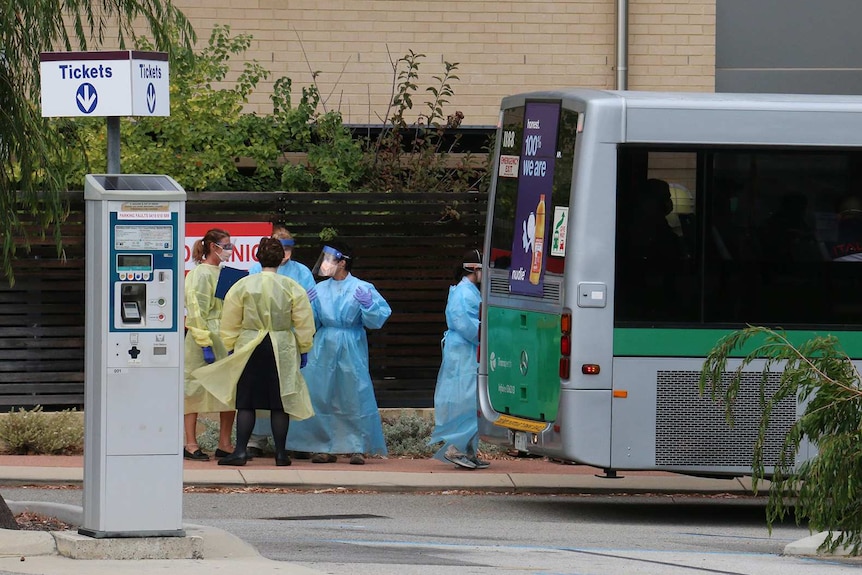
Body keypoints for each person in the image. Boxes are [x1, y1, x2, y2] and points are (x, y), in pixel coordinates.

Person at [189, 237, 316, 466]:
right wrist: (304, 347)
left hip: (249, 345)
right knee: (280, 401)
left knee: (246, 401)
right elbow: (304, 320)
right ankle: (280, 454)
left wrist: (229, 346)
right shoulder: (292, 287)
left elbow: (230, 319)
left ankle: (239, 451)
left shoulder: (243, 285)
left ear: (257, 257)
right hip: (282, 345)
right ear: (280, 259)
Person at [286, 239, 392, 465]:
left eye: (328, 259)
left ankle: (357, 446)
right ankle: (324, 445)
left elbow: (377, 320)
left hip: (350, 342)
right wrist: (306, 307)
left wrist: (369, 306)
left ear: (342, 262)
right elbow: (311, 322)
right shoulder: (319, 289)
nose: (324, 263)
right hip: (324, 344)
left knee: (354, 393)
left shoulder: (362, 288)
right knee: (322, 395)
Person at [246, 224, 317, 458]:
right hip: (265, 336)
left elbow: (307, 311)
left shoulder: (302, 272)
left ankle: (290, 441)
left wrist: (303, 342)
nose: (286, 253)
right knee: (259, 391)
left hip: (288, 337)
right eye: (282, 248)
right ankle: (256, 441)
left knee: (285, 392)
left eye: (289, 248)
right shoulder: (255, 270)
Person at [429, 249, 486, 469]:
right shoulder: (464, 293)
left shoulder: (467, 290)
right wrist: (488, 337)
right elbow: (466, 325)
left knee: (470, 401)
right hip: (465, 351)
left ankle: (468, 451)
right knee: (469, 401)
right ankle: (457, 449)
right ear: (473, 268)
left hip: (465, 350)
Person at [183, 229, 236, 461]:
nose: (229, 250)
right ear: (213, 247)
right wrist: (203, 341)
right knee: (193, 388)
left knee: (228, 390)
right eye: (226, 245)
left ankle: (225, 443)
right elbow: (195, 311)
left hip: (223, 335)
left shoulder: (225, 273)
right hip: (201, 336)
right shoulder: (198, 275)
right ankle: (191, 444)